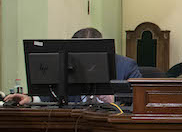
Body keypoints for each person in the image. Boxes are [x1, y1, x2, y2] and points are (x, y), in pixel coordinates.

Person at [3, 27, 142, 106]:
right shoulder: (68, 63)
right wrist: (31, 99)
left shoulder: (126, 66)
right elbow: (55, 93)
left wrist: (114, 100)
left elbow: (141, 100)